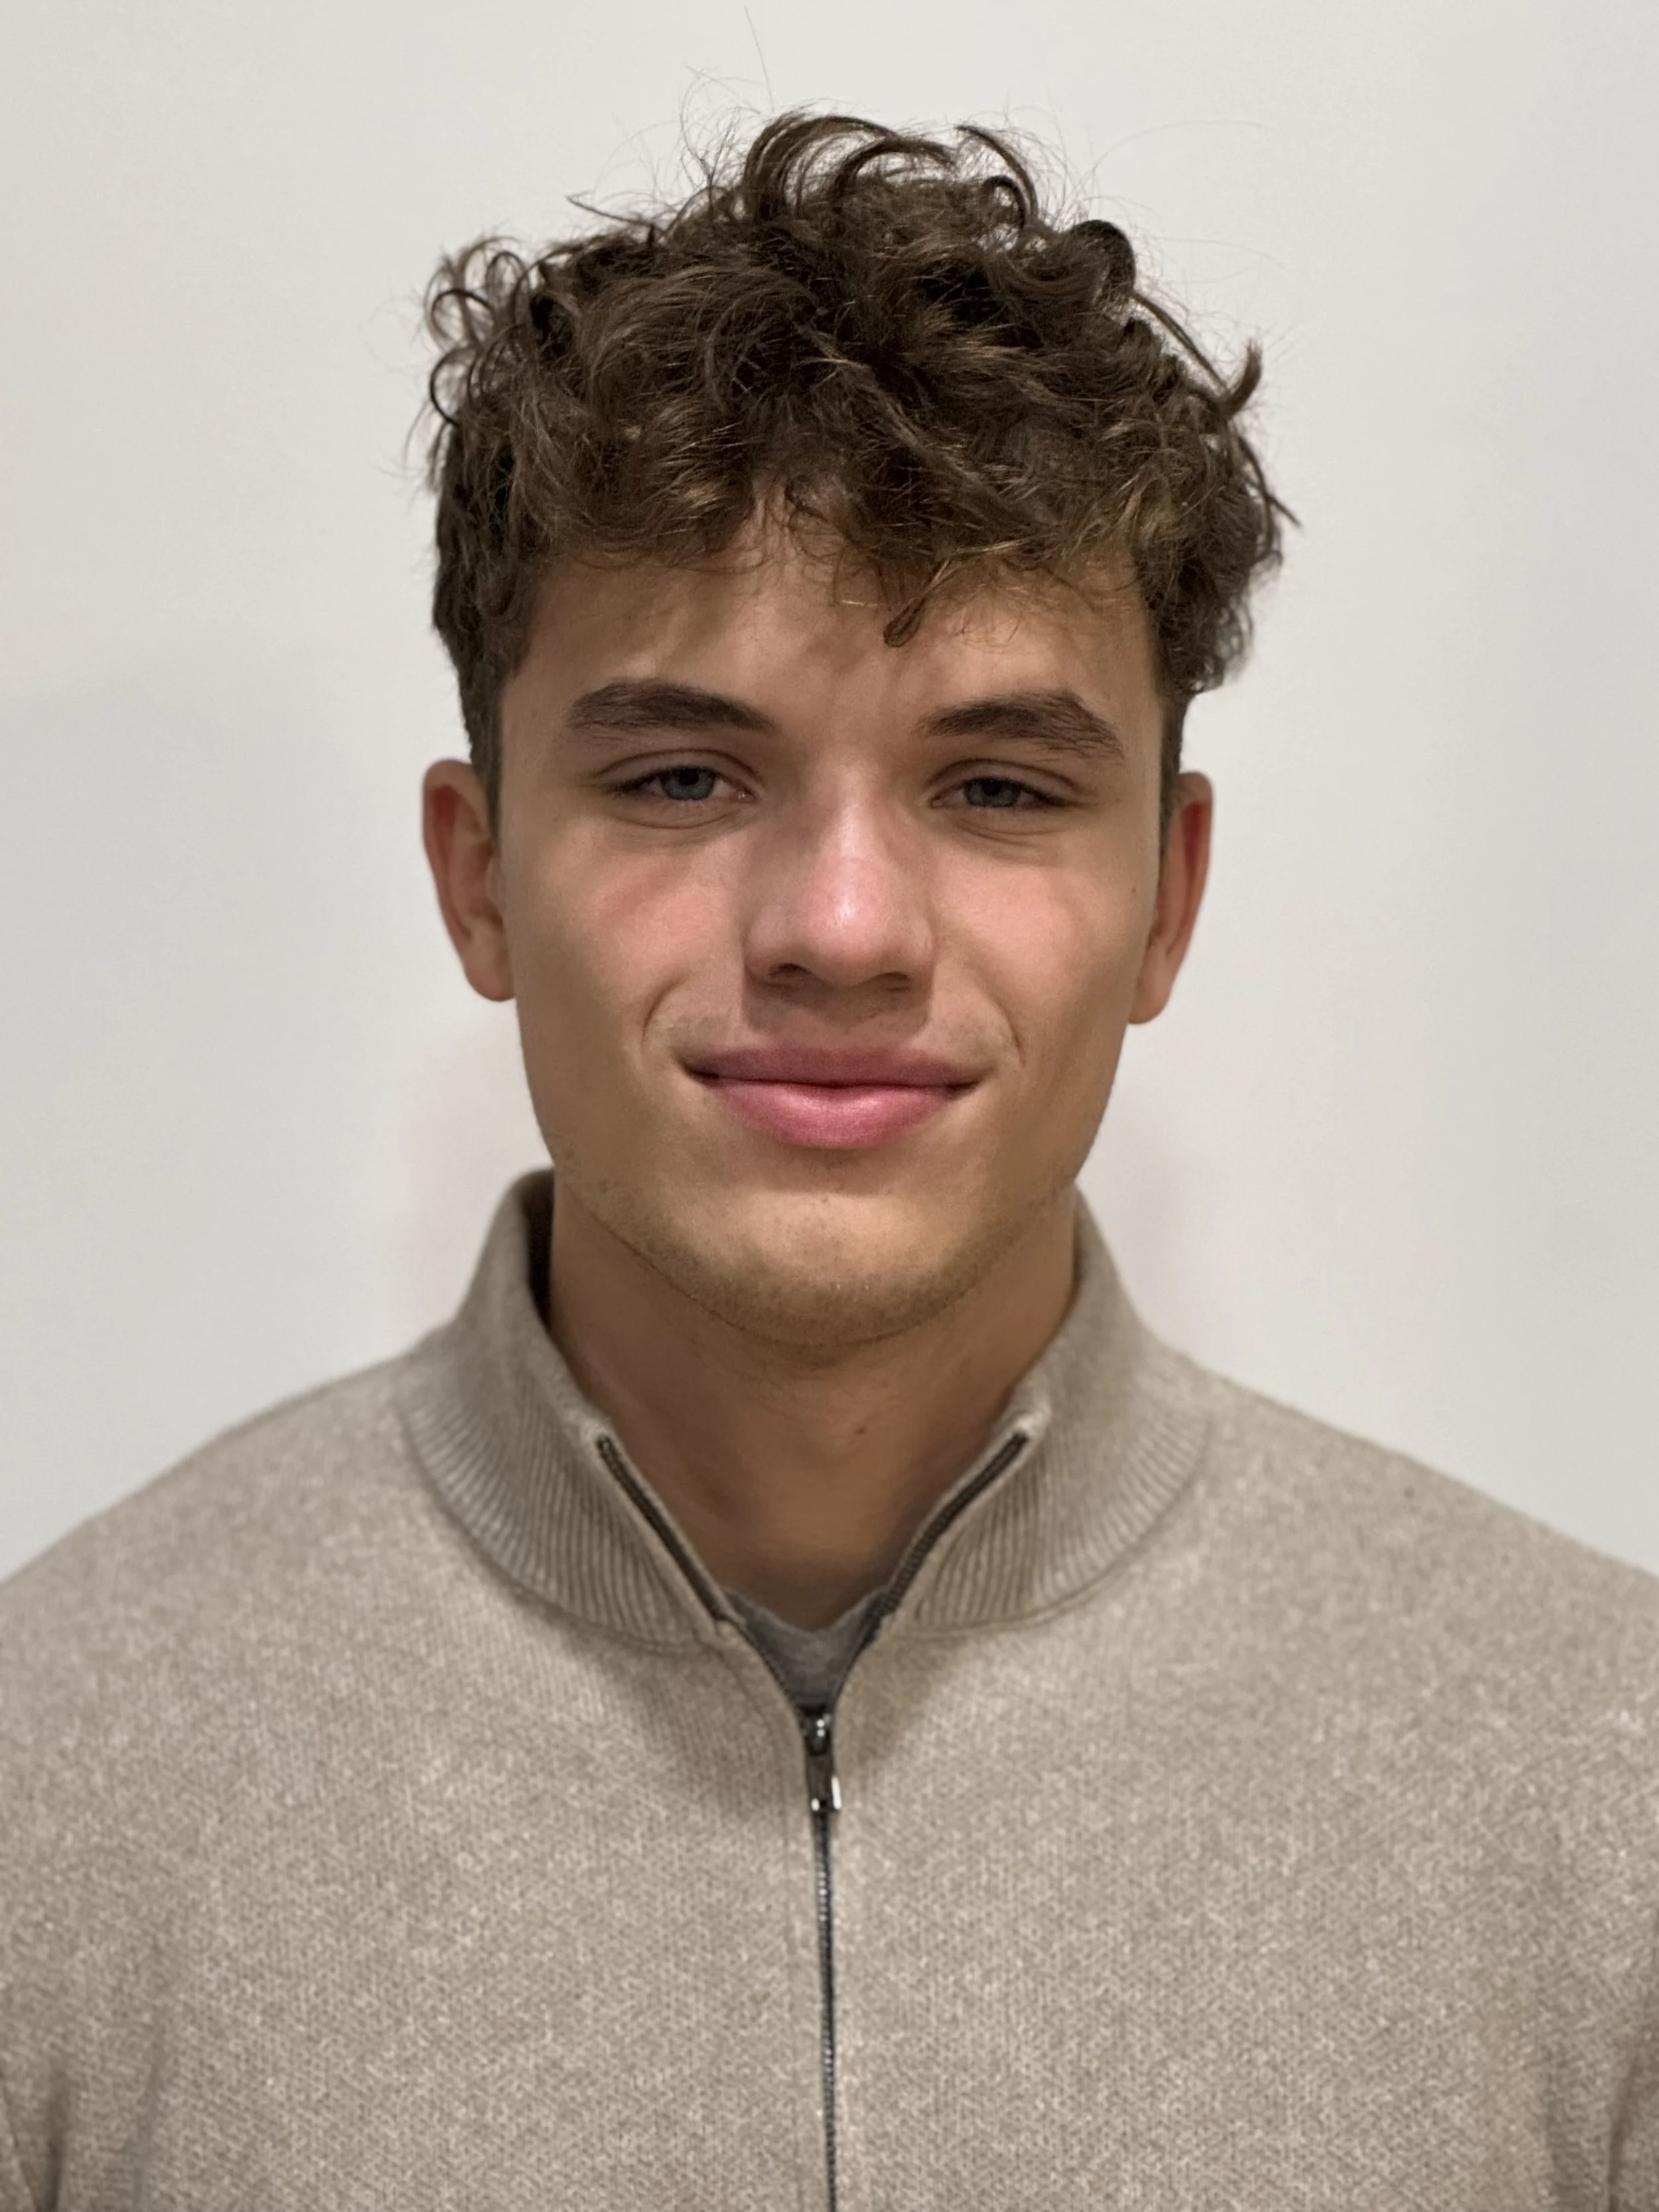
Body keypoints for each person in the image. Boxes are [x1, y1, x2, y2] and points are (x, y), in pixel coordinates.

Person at [1, 111, 1655, 2212]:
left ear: (1165, 899)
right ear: (480, 871)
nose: (844, 926)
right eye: (684, 774)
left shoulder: (1606, 1791)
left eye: (992, 781)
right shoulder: (45, 1784)